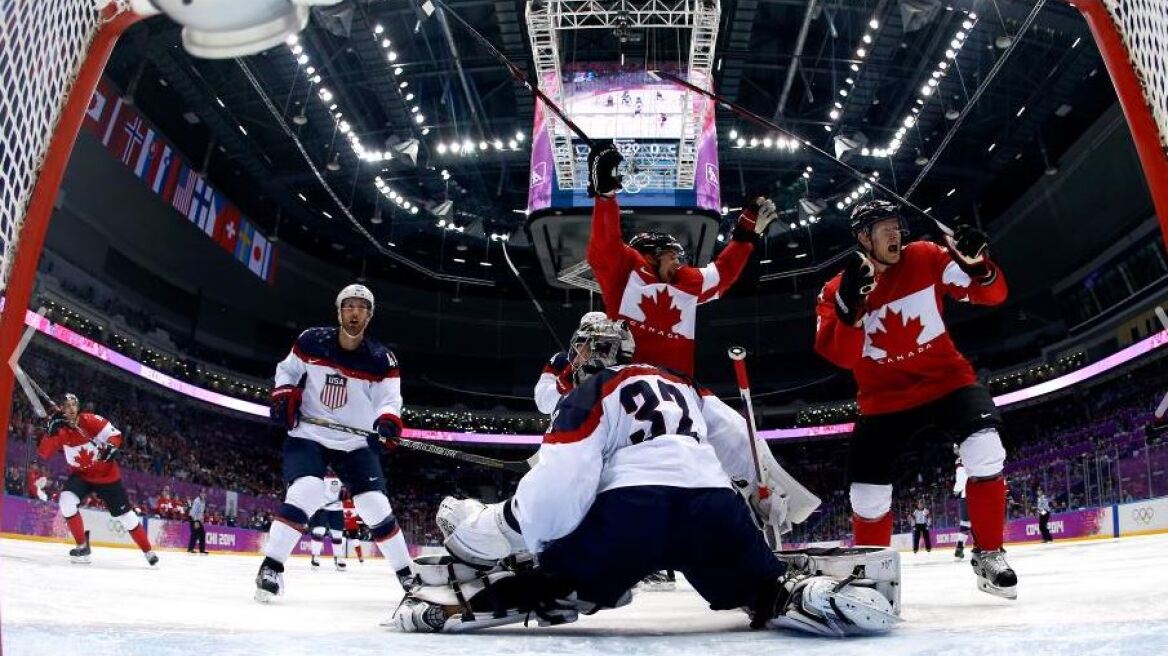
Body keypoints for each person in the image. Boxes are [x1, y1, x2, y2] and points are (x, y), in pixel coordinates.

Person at [392, 318, 899, 636]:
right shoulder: (681, 381)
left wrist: (493, 533)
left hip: (632, 514)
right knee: (761, 590)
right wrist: (769, 498)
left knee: (555, 578)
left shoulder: (586, 394)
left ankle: (489, 601)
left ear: (588, 353)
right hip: (713, 508)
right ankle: (800, 597)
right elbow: (741, 440)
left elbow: (558, 491)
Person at [584, 142, 821, 540]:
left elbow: (722, 273)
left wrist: (745, 233)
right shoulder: (625, 273)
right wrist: (605, 194)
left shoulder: (688, 283)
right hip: (636, 388)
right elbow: (603, 246)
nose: (680, 261)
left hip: (685, 387)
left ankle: (767, 505)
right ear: (649, 254)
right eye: (672, 255)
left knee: (737, 431)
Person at [814, 199, 1015, 599]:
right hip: (883, 401)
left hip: (948, 382)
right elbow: (840, 357)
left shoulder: (926, 256)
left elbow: (990, 296)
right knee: (866, 496)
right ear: (862, 237)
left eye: (896, 225)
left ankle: (989, 555)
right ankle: (872, 579)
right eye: (882, 227)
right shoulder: (835, 289)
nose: (895, 234)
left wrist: (979, 265)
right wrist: (851, 311)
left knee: (987, 449)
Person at [255, 283, 416, 603]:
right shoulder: (311, 341)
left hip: (354, 442)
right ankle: (271, 567)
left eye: (361, 307)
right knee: (307, 490)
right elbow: (287, 371)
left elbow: (389, 400)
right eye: (349, 305)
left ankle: (408, 576)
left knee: (374, 505)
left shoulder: (383, 360)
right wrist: (282, 394)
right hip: (308, 434)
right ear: (339, 310)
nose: (354, 312)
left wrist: (387, 421)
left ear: (369, 316)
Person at [36, 393, 158, 567]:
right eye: (66, 405)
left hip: (106, 476)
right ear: (61, 409)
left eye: (73, 405)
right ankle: (82, 546)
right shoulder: (59, 429)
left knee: (127, 517)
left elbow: (115, 434)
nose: (70, 409)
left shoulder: (90, 420)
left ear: (78, 407)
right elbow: (43, 453)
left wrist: (111, 446)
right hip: (81, 476)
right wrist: (50, 431)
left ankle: (148, 551)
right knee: (66, 502)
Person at [533, 311, 609, 415]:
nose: (591, 346)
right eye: (587, 339)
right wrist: (560, 386)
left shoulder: (619, 367)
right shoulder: (561, 360)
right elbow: (543, 404)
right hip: (566, 427)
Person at [308, 473, 346, 570]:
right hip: (321, 507)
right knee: (319, 531)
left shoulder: (342, 474)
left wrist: (346, 491)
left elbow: (347, 491)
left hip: (337, 508)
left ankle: (338, 558)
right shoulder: (318, 473)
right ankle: (315, 556)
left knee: (337, 534)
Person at [953, 454, 971, 559]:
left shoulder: (959, 462)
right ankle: (984, 547)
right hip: (977, 494)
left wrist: (956, 490)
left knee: (965, 524)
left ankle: (959, 547)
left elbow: (960, 479)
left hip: (964, 496)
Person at [188, 489, 208, 554]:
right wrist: (195, 521)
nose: (203, 494)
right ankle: (190, 549)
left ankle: (202, 550)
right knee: (195, 533)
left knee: (202, 534)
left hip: (198, 519)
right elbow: (193, 512)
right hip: (193, 518)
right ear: (200, 493)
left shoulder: (203, 501)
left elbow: (201, 512)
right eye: (202, 493)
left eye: (204, 493)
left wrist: (201, 519)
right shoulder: (197, 501)